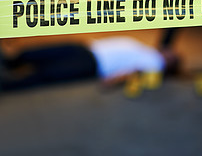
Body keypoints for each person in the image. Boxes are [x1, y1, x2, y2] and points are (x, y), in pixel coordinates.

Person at [1, 36, 178, 91]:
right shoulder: (148, 51)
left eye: (173, 54)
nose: (169, 50)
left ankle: (9, 85)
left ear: (170, 62)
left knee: (48, 74)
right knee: (40, 54)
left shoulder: (156, 64)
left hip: (93, 63)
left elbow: (134, 73)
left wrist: (113, 81)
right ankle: (10, 62)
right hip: (87, 50)